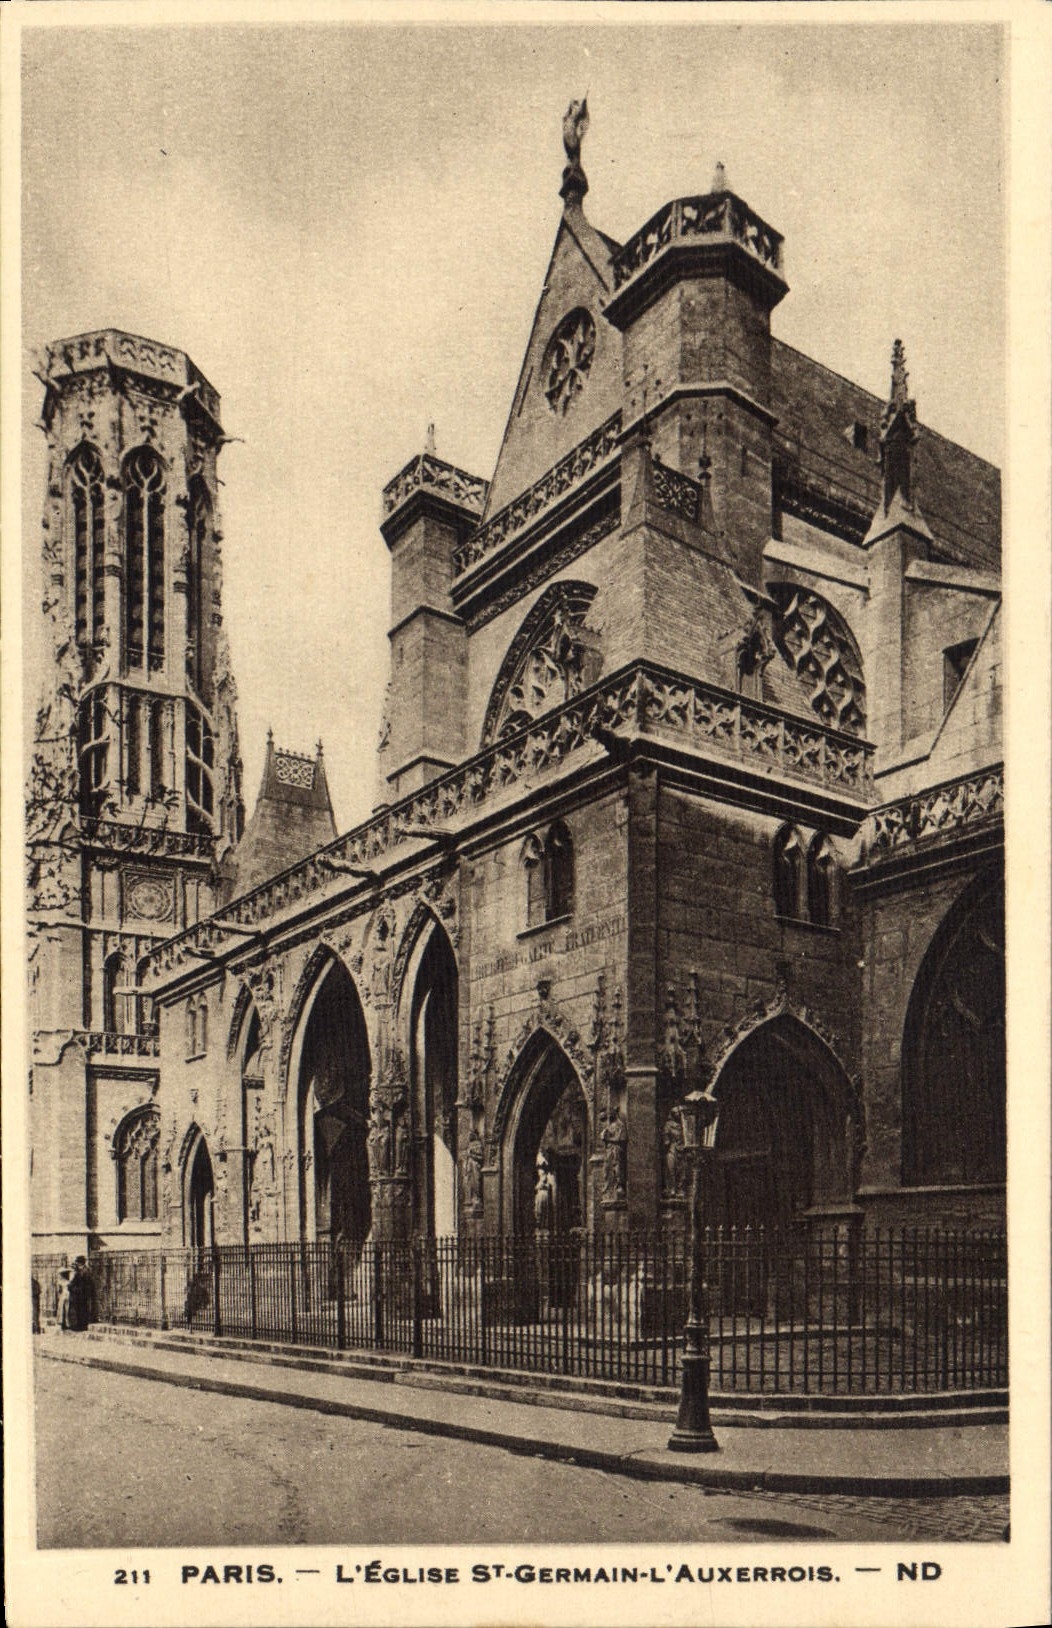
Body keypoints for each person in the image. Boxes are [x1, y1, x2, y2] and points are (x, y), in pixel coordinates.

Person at [65, 1255, 96, 1331]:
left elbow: (85, 1284)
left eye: (77, 1262)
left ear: (80, 1263)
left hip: (82, 1294)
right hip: (79, 1293)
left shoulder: (85, 1271)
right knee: (79, 1309)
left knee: (82, 1310)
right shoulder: (81, 1271)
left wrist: (73, 1288)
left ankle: (82, 1326)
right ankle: (79, 1325)